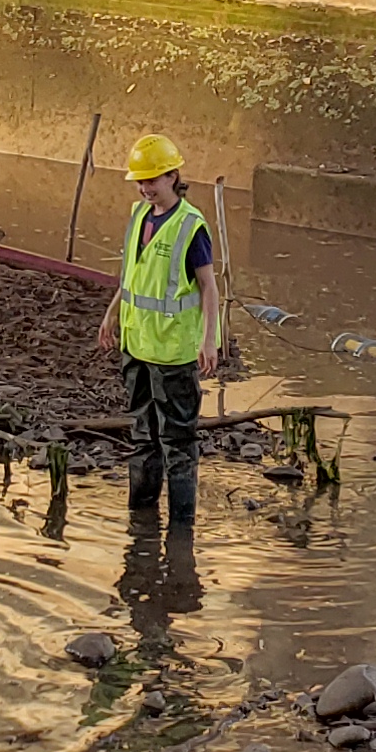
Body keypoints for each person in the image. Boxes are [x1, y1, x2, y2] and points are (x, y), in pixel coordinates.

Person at [93, 134, 223, 524]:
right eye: (141, 182)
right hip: (136, 346)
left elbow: (209, 287)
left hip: (173, 353)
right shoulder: (138, 217)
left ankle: (182, 530)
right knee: (142, 436)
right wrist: (111, 314)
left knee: (178, 442)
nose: (146, 188)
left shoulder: (190, 226)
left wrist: (209, 341)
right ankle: (142, 518)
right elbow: (133, 277)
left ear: (173, 177)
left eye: (153, 180)